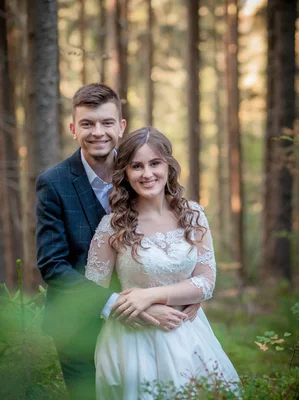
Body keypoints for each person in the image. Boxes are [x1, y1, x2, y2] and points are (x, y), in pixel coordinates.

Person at [36, 84, 197, 399]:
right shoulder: (53, 184)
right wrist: (119, 306)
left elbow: (171, 239)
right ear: (73, 129)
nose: (98, 132)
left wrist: (190, 292)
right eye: (87, 123)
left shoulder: (141, 171)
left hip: (149, 327)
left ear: (121, 127)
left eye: (107, 122)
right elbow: (52, 265)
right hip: (78, 327)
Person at [85, 127, 240, 399]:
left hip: (188, 334)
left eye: (155, 163)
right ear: (126, 173)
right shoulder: (112, 226)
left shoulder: (193, 215)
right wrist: (146, 312)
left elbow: (206, 282)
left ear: (168, 166)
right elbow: (91, 295)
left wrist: (149, 296)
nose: (147, 174)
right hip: (131, 342)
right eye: (137, 166)